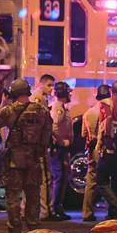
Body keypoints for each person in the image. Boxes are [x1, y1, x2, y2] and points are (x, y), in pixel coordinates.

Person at [0, 79, 52, 233]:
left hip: (14, 160)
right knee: (33, 194)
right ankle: (33, 227)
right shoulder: (41, 110)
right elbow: (47, 134)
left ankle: (14, 229)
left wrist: (2, 103)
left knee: (13, 195)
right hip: (34, 158)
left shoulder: (9, 110)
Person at [94, 85, 117, 219]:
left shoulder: (106, 103)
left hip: (110, 145)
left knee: (101, 179)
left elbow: (107, 119)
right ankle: (115, 211)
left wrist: (107, 139)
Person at [81, 84, 110, 222]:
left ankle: (87, 212)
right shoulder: (108, 111)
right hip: (105, 149)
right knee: (107, 180)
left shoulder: (88, 113)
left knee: (91, 180)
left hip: (91, 149)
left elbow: (83, 134)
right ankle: (113, 210)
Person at [30, 74, 56, 221]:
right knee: (44, 178)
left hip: (35, 143)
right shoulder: (39, 99)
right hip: (39, 144)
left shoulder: (37, 97)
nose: (52, 88)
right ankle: (45, 211)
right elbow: (42, 122)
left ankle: (26, 210)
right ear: (42, 84)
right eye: (50, 85)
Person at [48, 82, 73, 221]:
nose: (70, 95)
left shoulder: (62, 107)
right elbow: (54, 125)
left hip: (63, 147)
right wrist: (60, 141)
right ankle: (54, 208)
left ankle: (58, 207)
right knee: (58, 177)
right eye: (68, 92)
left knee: (63, 177)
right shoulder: (58, 108)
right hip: (58, 148)